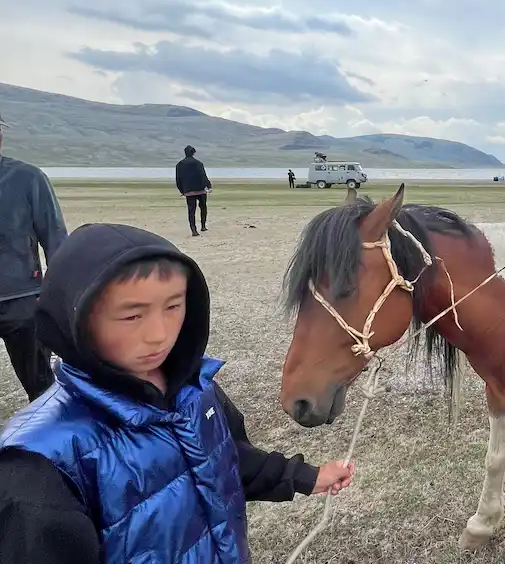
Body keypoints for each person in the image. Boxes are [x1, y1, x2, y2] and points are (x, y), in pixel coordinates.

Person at [0, 223, 355, 562]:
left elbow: (225, 459)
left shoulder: (194, 390)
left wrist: (307, 477)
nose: (159, 334)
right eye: (132, 316)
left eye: (173, 306)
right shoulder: (39, 467)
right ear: (73, 320)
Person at [0, 110, 67, 402]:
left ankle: (49, 446)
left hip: (22, 298)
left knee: (41, 386)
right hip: (22, 296)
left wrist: (58, 292)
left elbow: (54, 237)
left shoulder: (27, 178)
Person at [175, 144, 212, 236]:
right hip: (200, 189)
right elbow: (203, 175)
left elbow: (178, 179)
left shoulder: (179, 164)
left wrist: (182, 190)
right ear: (194, 153)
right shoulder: (198, 163)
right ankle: (203, 226)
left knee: (191, 210)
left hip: (188, 191)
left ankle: (193, 230)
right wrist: (208, 186)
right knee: (203, 207)